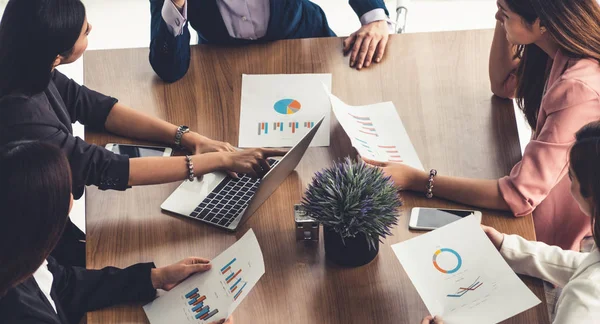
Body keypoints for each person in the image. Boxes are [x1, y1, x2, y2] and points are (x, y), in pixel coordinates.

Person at [0, 0, 284, 266]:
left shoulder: (27, 64)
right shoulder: (23, 119)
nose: (91, 29)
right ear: (57, 57)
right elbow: (107, 167)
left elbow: (96, 108)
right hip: (33, 252)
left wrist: (190, 138)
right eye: (84, 31)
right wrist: (221, 161)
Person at [0, 140, 235, 324]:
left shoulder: (16, 251)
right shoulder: (19, 314)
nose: (73, 194)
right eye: (68, 189)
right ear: (50, 214)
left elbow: (63, 282)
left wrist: (153, 278)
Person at [366, 0, 600, 251]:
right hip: (544, 203)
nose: (497, 14)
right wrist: (507, 16)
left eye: (505, 13)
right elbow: (503, 85)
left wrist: (417, 180)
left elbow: (519, 195)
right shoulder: (556, 43)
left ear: (542, 23)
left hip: (562, 236)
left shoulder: (579, 88)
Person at [415, 121, 600, 324]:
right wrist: (507, 247)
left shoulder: (589, 295)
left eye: (571, 177)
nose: (566, 183)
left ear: (591, 193)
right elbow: (585, 267)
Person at [150, 0, 392, 82]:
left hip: (302, 43)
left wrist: (374, 17)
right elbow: (169, 71)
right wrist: (176, 3)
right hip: (224, 67)